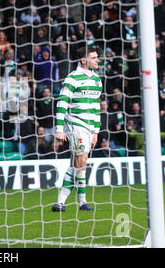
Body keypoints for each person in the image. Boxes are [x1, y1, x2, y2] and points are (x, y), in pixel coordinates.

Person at [52, 47, 102, 212]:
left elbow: (96, 107)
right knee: (82, 163)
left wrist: (95, 132)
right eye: (94, 58)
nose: (97, 60)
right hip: (75, 124)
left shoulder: (97, 80)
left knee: (76, 164)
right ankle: (82, 202)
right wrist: (59, 129)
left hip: (89, 128)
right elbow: (62, 104)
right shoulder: (72, 78)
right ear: (83, 60)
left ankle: (61, 202)